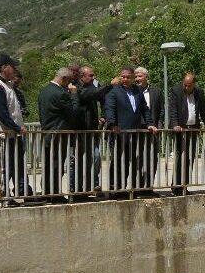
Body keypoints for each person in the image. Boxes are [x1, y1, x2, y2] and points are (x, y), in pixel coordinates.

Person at [104, 66, 156, 194]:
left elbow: (145, 109)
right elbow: (109, 109)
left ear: (133, 78)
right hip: (119, 133)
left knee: (129, 161)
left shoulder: (138, 91)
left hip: (134, 133)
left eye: (128, 77)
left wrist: (149, 124)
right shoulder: (114, 91)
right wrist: (112, 124)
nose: (125, 79)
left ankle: (125, 188)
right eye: (123, 76)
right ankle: (114, 189)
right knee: (117, 161)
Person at [0, 54, 27, 202]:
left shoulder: (6, 85)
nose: (15, 70)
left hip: (10, 134)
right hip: (3, 134)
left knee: (11, 165)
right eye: (12, 67)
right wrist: (16, 127)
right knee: (3, 167)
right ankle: (0, 195)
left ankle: (12, 194)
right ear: (4, 68)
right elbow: (2, 112)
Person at [71, 65, 117, 193]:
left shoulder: (91, 87)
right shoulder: (76, 87)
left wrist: (102, 117)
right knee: (81, 161)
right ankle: (77, 188)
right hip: (81, 130)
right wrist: (110, 85)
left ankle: (92, 185)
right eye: (90, 75)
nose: (93, 77)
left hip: (92, 130)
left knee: (96, 157)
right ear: (82, 76)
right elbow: (92, 94)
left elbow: (102, 99)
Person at [38, 67, 81, 199]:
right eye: (68, 81)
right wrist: (74, 94)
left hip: (47, 132)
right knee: (56, 166)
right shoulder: (60, 93)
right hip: (58, 134)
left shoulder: (44, 91)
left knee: (48, 165)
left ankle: (47, 192)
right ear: (64, 79)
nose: (69, 84)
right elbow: (74, 111)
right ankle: (55, 194)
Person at [167, 72, 205, 196]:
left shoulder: (199, 92)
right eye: (185, 85)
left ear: (194, 84)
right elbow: (172, 109)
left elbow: (203, 110)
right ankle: (176, 186)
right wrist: (175, 124)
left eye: (189, 86)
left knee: (189, 159)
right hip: (180, 129)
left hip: (193, 130)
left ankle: (184, 186)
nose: (186, 88)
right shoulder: (176, 91)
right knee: (180, 158)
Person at [134, 66, 163, 188]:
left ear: (146, 77)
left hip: (153, 130)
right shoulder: (132, 91)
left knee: (152, 159)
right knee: (137, 159)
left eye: (139, 76)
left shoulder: (156, 91)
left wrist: (159, 124)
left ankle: (148, 187)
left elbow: (162, 109)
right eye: (135, 76)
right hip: (137, 130)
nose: (137, 79)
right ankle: (136, 187)